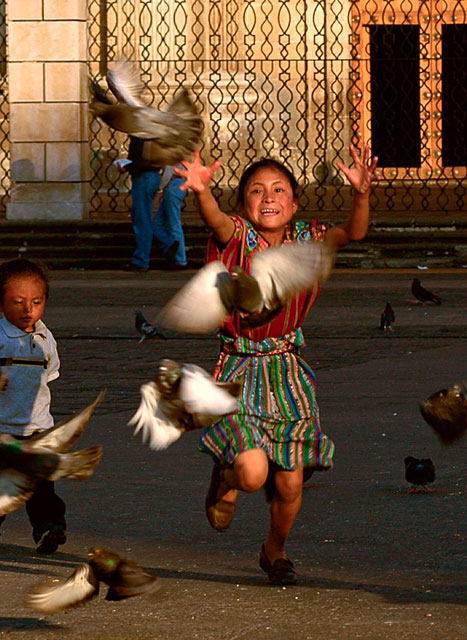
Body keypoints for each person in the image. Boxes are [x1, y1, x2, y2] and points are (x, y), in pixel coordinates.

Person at [174, 144, 378, 585]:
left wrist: (361, 194)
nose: (268, 198)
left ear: (295, 203)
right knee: (252, 473)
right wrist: (201, 192)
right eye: (256, 190)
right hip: (239, 370)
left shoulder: (310, 237)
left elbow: (353, 234)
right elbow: (216, 221)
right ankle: (224, 480)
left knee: (290, 483)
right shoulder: (238, 237)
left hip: (287, 372)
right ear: (244, 203)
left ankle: (275, 550)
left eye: (279, 189)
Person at [0, 258, 66, 554]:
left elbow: (49, 375)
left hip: (39, 428)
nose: (28, 309)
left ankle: (48, 529)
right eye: (18, 302)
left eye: (36, 302)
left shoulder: (45, 337)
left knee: (41, 488)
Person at [122, 136, 188, 272]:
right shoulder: (151, 135)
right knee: (147, 219)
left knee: (143, 219)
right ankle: (169, 246)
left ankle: (143, 260)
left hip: (146, 177)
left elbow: (143, 161)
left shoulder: (143, 135)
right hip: (151, 177)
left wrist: (126, 166)